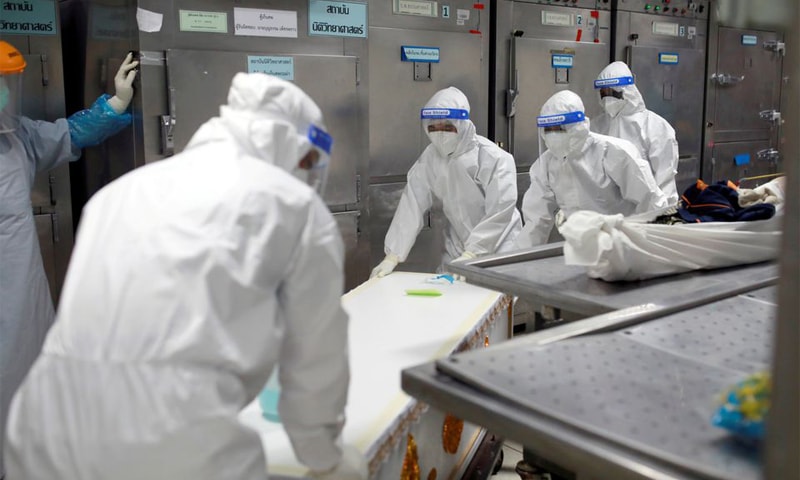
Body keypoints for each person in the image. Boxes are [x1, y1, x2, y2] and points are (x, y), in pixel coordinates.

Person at [5, 73, 365, 480]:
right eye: (308, 161)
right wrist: (325, 455)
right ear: (290, 144)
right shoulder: (294, 206)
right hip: (173, 441)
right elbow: (314, 356)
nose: (309, 175)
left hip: (42, 435)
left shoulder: (120, 194)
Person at [0, 40, 137, 477]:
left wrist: (115, 103)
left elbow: (69, 133)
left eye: (8, 84)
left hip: (18, 290)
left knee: (23, 379)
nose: (6, 93)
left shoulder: (16, 137)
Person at [371, 86, 522, 278]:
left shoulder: (493, 158)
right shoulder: (431, 156)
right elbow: (412, 203)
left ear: (463, 124)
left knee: (492, 303)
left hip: (501, 246)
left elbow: (500, 212)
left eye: (448, 127)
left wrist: (473, 252)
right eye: (434, 128)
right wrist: (392, 255)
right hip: (459, 247)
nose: (440, 134)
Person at [516, 90, 669, 248]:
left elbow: (650, 202)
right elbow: (536, 220)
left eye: (559, 128)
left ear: (578, 125)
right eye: (548, 130)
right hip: (582, 250)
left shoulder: (613, 152)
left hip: (625, 244)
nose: (553, 135)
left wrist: (654, 247)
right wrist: (516, 259)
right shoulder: (546, 164)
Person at [592, 61, 680, 204]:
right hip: (607, 212)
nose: (608, 98)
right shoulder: (596, 125)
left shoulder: (655, 127)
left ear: (627, 91)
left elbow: (665, 181)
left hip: (644, 211)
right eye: (603, 93)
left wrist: (662, 215)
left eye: (613, 92)